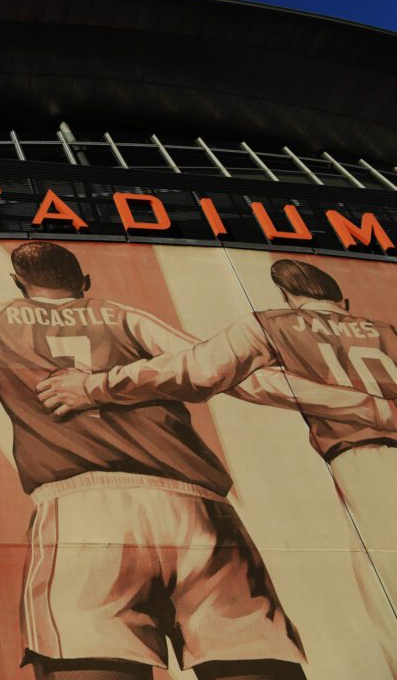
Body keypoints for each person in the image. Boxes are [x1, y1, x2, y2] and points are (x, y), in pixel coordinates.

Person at [0, 240, 305, 680]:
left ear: (18, 284)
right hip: (199, 508)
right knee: (251, 661)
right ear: (85, 283)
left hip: (85, 510)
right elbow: (215, 369)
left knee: (90, 661)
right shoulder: (124, 316)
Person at [37, 258, 397, 652]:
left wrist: (95, 386)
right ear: (342, 301)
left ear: (288, 297)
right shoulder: (388, 331)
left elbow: (198, 371)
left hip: (368, 459)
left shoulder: (271, 323)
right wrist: (359, 402)